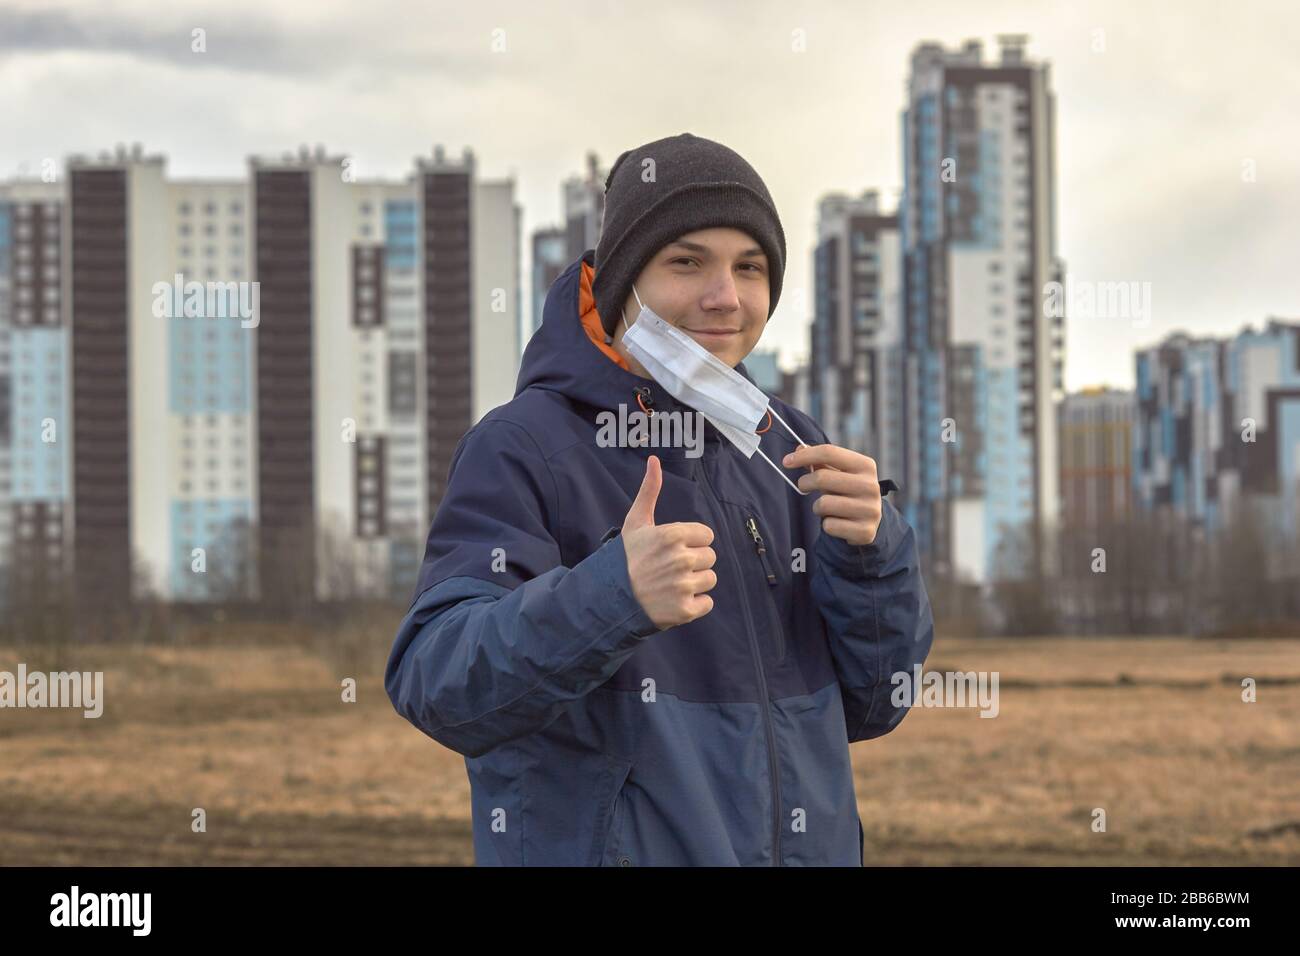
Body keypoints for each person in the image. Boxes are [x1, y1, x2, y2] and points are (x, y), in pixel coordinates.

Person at [385, 132, 934, 866]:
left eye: (750, 268)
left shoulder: (787, 448)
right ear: (623, 284)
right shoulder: (525, 446)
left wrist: (872, 558)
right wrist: (611, 596)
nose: (725, 297)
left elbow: (873, 705)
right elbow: (439, 682)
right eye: (686, 262)